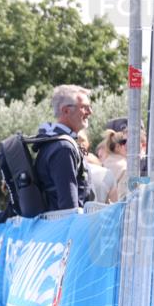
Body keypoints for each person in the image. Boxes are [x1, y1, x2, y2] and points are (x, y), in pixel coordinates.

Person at [34, 84, 93, 212]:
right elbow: (69, 207)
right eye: (85, 107)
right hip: (65, 228)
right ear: (66, 110)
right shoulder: (63, 148)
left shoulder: (55, 143)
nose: (90, 112)